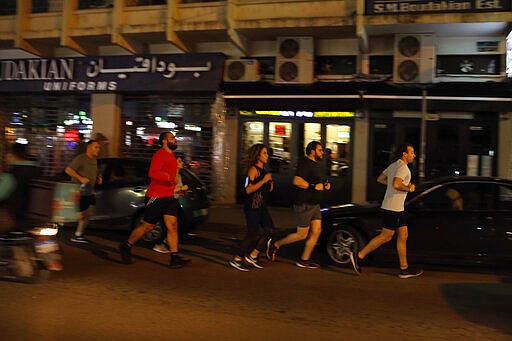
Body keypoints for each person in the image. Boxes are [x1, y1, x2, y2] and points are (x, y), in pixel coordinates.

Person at [349, 143, 423, 279]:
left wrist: (393, 184)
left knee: (403, 235)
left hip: (396, 208)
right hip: (393, 208)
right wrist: (408, 188)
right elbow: (396, 184)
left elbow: (381, 179)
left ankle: (404, 269)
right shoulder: (403, 168)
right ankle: (359, 256)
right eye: (411, 152)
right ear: (404, 154)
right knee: (386, 236)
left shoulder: (395, 165)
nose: (414, 155)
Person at [119, 131, 190, 269]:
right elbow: (153, 172)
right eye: (172, 138)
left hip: (169, 196)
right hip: (156, 196)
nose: (175, 140)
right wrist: (170, 178)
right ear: (164, 141)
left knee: (173, 226)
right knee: (148, 226)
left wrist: (178, 186)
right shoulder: (160, 155)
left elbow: (172, 175)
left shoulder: (172, 156)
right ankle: (126, 246)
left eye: (174, 138)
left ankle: (174, 258)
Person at [266, 141, 330, 269]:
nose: (322, 152)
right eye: (320, 150)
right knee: (302, 234)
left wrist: (324, 185)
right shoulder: (305, 163)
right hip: (304, 204)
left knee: (317, 231)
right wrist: (312, 186)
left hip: (315, 204)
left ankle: (304, 260)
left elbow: (317, 182)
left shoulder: (315, 164)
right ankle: (276, 244)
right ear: (312, 151)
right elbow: (297, 181)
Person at [229, 144, 275, 271]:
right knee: (252, 234)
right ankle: (237, 259)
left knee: (270, 231)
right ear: (257, 155)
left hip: (262, 207)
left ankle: (253, 255)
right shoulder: (253, 170)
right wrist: (264, 181)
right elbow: (248, 189)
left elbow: (262, 188)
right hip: (252, 207)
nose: (267, 155)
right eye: (264, 153)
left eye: (267, 153)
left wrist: (269, 185)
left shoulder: (264, 171)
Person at [65, 140, 102, 243]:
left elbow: (95, 172)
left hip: (90, 191)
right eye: (96, 147)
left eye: (99, 147)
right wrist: (80, 178)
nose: (98, 149)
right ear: (89, 147)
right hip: (80, 191)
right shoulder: (81, 158)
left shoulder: (94, 160)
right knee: (81, 215)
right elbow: (68, 170)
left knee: (88, 214)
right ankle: (75, 233)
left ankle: (78, 234)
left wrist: (98, 177)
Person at [0, 143, 41, 234]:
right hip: (38, 220)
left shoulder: (12, 174)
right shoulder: (37, 171)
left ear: (11, 155)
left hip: (13, 219)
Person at [152, 154, 189, 253]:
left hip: (174, 201)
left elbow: (177, 191)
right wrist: (181, 188)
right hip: (166, 201)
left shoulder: (179, 176)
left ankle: (168, 241)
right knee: (167, 225)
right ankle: (159, 243)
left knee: (178, 222)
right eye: (180, 161)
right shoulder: (169, 176)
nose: (182, 163)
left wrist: (182, 191)